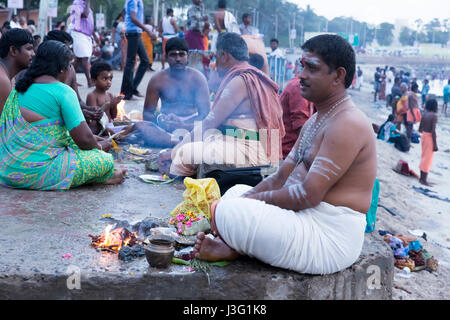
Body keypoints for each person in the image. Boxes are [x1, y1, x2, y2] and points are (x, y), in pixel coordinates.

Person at [191, 34, 376, 276]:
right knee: (233, 194)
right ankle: (235, 245)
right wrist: (247, 197)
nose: (301, 75)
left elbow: (308, 195)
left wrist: (249, 203)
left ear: (338, 76)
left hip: (329, 238)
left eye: (312, 68)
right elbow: (280, 177)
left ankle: (234, 241)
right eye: (302, 65)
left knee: (228, 211)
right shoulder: (317, 120)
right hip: (306, 218)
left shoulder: (348, 123)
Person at [0, 40, 127, 190]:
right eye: (70, 64)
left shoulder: (19, 88)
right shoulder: (63, 92)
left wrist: (91, 140)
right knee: (105, 160)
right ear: (62, 68)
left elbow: (53, 135)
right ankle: (103, 178)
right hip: (36, 174)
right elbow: (84, 140)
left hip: (8, 171)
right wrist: (99, 146)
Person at [159, 32, 285, 177]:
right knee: (192, 143)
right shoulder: (255, 76)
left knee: (183, 154)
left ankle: (178, 177)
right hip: (252, 148)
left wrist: (173, 152)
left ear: (224, 56)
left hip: (249, 151)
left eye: (216, 57)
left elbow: (209, 123)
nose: (215, 62)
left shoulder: (240, 80)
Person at [132, 37, 210, 147]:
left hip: (191, 126)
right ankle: (179, 143)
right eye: (173, 55)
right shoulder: (157, 79)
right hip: (166, 126)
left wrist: (184, 125)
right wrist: (162, 122)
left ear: (187, 57)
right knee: (141, 127)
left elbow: (205, 115)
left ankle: (176, 142)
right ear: (166, 58)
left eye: (182, 54)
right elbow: (148, 113)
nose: (178, 59)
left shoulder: (198, 78)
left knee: (210, 129)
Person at [121, 0, 156, 100]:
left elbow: (123, 12)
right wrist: (148, 30)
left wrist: (126, 23)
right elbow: (132, 17)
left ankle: (131, 88)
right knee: (130, 61)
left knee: (144, 61)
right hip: (133, 32)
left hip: (135, 32)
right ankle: (126, 92)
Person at [86, 61, 132, 137]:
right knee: (108, 131)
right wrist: (108, 104)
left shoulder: (110, 95)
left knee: (130, 125)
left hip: (110, 124)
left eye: (110, 79)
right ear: (94, 80)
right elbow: (94, 117)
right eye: (104, 79)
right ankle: (118, 136)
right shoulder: (92, 96)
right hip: (100, 127)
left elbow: (113, 116)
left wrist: (115, 104)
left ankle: (119, 135)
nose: (109, 82)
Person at [0, 28, 34, 116]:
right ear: (13, 50)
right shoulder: (2, 80)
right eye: (29, 49)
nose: (33, 54)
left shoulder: (10, 77)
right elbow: (6, 123)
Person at [280, 76, 315, 158]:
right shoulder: (299, 87)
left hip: (292, 151)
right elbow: (302, 128)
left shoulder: (310, 88)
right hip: (287, 154)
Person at [69, 0, 96, 88]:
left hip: (85, 35)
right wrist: (88, 2)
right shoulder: (77, 3)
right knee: (84, 57)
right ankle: (89, 81)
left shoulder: (84, 4)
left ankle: (70, 80)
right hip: (79, 33)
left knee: (78, 59)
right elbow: (85, 14)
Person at [418, 99, 438, 186]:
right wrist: (435, 144)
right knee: (428, 159)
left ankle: (421, 178)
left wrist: (425, 132)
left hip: (424, 136)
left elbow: (419, 129)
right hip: (430, 137)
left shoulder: (425, 114)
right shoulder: (434, 116)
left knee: (424, 157)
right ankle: (424, 180)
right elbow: (433, 131)